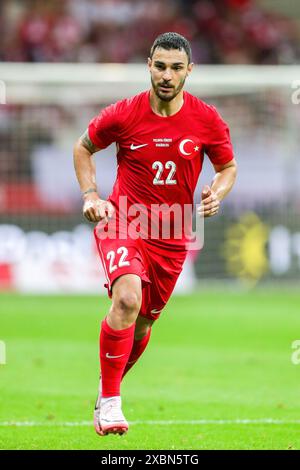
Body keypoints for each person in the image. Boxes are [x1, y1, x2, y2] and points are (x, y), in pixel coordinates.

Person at [73, 32, 237, 436]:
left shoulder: (206, 119)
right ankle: (111, 403)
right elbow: (83, 148)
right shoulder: (124, 114)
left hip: (172, 235)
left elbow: (227, 167)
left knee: (143, 325)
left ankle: (105, 389)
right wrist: (91, 194)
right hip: (123, 221)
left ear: (189, 71)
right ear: (149, 65)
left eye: (176, 68)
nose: (167, 75)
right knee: (127, 299)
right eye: (160, 66)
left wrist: (217, 192)